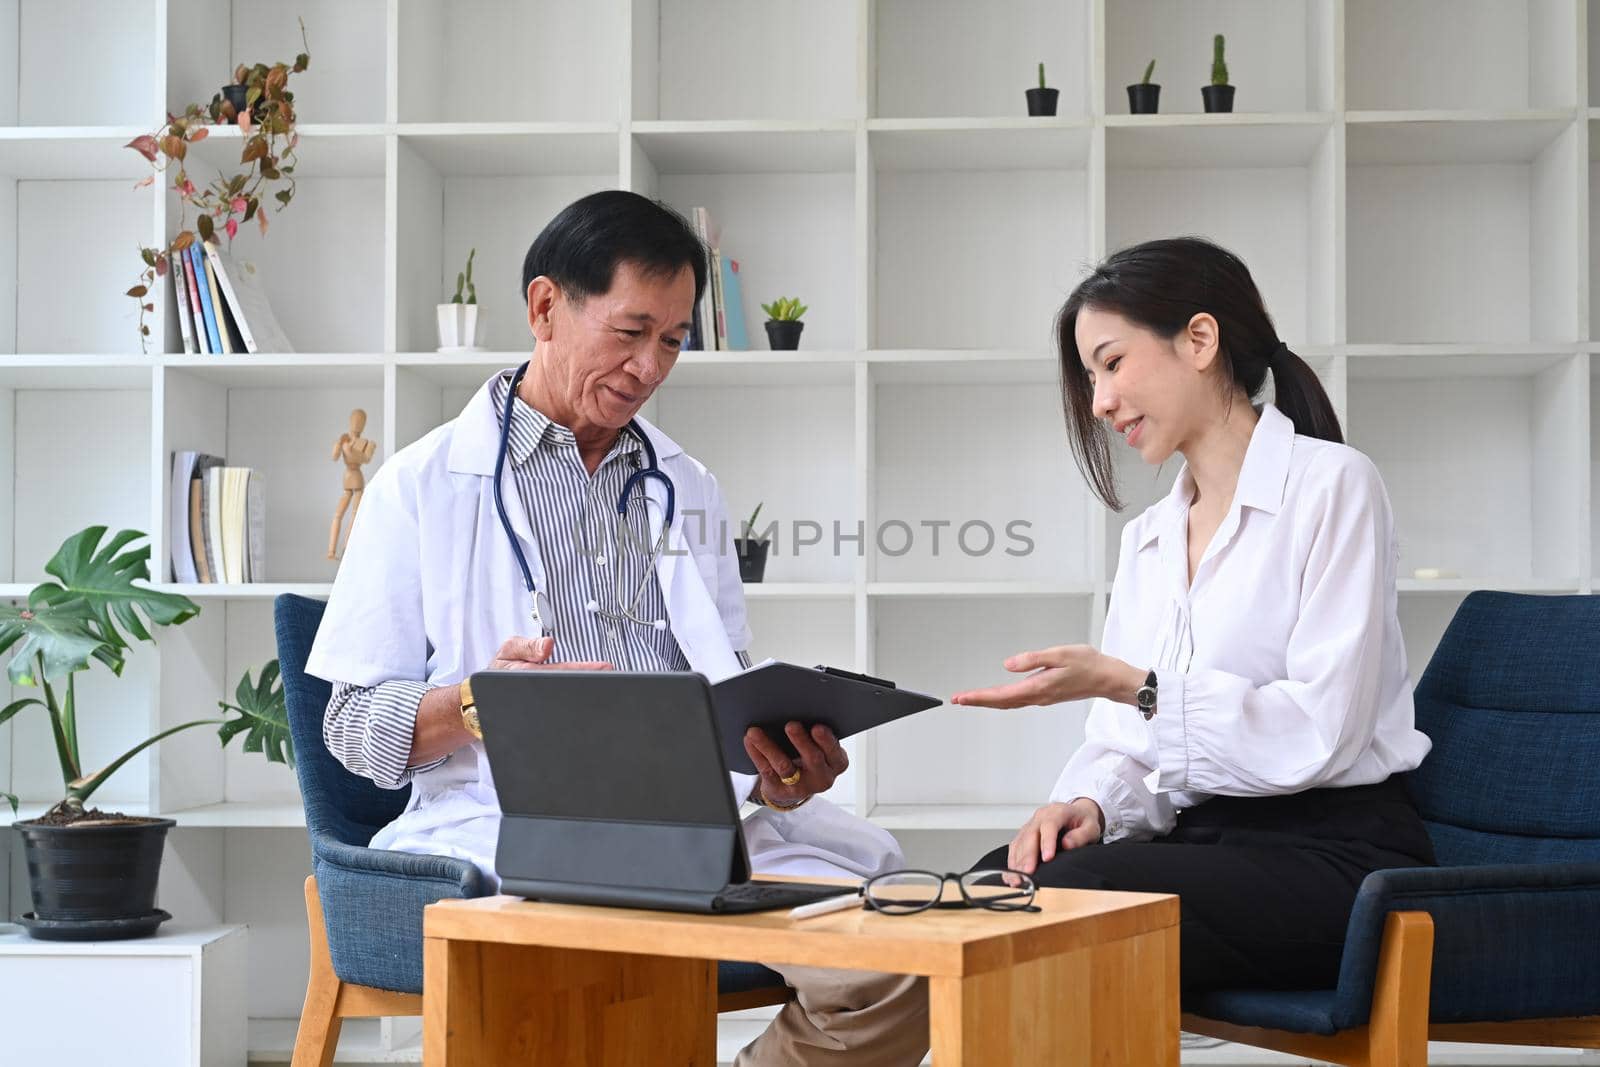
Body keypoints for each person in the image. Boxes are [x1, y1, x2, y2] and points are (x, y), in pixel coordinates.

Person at [306, 190, 927, 1065]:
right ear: (545, 307)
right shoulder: (419, 487)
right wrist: (482, 703)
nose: (650, 367)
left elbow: (726, 691)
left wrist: (778, 769)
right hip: (512, 825)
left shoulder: (689, 487)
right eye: (630, 332)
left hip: (696, 826)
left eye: (672, 340)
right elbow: (351, 728)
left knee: (900, 967)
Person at [952, 237, 1435, 994]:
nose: (1099, 401)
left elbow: (1321, 729)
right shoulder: (1146, 540)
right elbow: (1134, 752)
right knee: (983, 888)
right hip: (1204, 841)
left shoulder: (1335, 486)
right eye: (1089, 376)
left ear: (1200, 339)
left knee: (1069, 910)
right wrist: (1089, 804)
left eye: (1112, 363)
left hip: (1336, 856)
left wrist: (1137, 685)